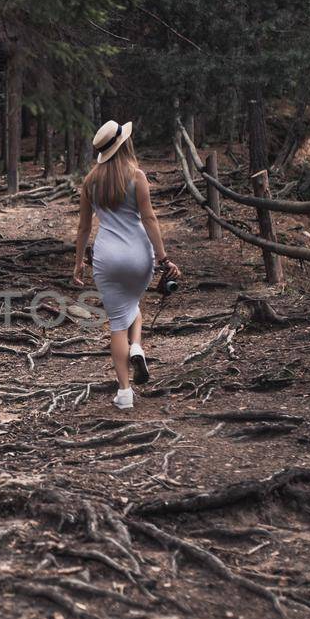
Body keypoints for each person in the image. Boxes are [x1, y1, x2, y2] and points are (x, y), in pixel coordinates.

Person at [71, 120, 181, 410]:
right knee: (132, 305)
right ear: (124, 145)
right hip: (138, 256)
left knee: (118, 322)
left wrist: (78, 262)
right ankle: (137, 346)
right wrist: (163, 258)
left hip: (107, 258)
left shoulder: (89, 182)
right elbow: (149, 219)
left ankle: (124, 392)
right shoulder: (137, 176)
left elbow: (83, 228)